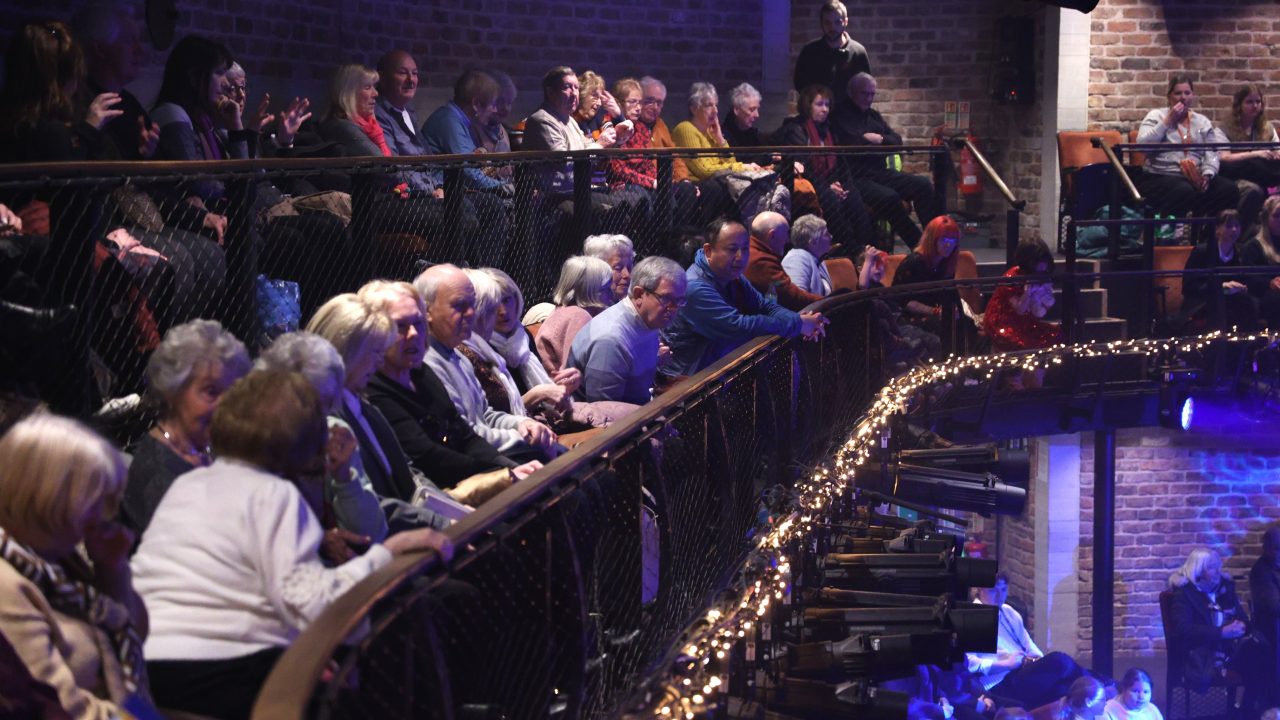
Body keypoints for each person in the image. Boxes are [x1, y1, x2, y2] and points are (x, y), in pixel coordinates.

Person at [131, 369, 453, 719]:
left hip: (148, 667)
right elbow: (311, 603)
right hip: (219, 672)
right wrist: (384, 557)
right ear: (303, 437)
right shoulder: (271, 491)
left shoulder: (188, 485)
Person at [0, 413, 153, 720]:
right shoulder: (8, 583)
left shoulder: (56, 556)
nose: (107, 513)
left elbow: (134, 632)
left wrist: (112, 568)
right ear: (50, 497)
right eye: (97, 499)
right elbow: (56, 706)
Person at [359, 280, 536, 497]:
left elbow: (464, 433)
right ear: (374, 331)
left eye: (417, 322)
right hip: (442, 495)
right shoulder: (373, 390)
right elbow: (429, 457)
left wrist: (503, 466)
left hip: (472, 478)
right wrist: (502, 474)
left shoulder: (420, 372)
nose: (414, 333)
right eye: (400, 326)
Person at [254, 331, 389, 546]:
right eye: (306, 403)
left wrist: (345, 478)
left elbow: (373, 533)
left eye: (325, 404)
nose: (317, 417)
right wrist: (321, 542)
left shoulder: (334, 434)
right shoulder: (252, 443)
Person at [416, 264, 560, 461]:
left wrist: (522, 423)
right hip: (476, 461)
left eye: (472, 305)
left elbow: (486, 415)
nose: (470, 314)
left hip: (492, 449)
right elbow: (466, 434)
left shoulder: (456, 356)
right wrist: (520, 436)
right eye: (459, 305)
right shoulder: (428, 363)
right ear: (427, 310)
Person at [122, 319, 252, 535]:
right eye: (211, 391)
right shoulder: (158, 475)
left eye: (230, 393)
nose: (224, 404)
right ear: (172, 391)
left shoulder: (200, 451)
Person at [661, 218, 828, 377]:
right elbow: (738, 327)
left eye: (745, 248)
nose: (741, 257)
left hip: (715, 374)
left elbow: (765, 306)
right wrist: (798, 324)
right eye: (732, 249)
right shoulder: (695, 287)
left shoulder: (732, 275)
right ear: (708, 251)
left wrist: (799, 322)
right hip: (686, 385)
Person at [831, 73, 940, 249]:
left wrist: (880, 139)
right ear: (851, 92)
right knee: (890, 198)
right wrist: (870, 142)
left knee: (922, 185)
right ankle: (920, 245)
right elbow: (851, 142)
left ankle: (935, 238)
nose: (869, 98)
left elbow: (896, 140)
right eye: (864, 93)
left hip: (880, 172)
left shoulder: (873, 116)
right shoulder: (839, 115)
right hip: (856, 176)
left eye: (872, 94)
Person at [774, 83, 877, 256]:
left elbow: (841, 163)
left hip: (831, 180)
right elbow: (805, 166)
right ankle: (850, 250)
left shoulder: (830, 129)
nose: (825, 109)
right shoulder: (797, 128)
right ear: (808, 105)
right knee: (830, 199)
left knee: (853, 197)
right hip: (811, 181)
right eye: (819, 104)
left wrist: (843, 185)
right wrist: (830, 186)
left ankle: (868, 247)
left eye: (827, 105)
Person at [569, 255, 688, 405]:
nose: (674, 308)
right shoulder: (610, 341)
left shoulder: (648, 320)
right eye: (666, 299)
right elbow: (603, 413)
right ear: (639, 295)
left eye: (679, 301)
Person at [1134, 75, 1239, 241]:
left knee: (1229, 189)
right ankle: (1167, 236)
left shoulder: (1201, 121)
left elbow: (1212, 152)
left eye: (1187, 93)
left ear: (1192, 96)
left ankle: (1208, 237)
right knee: (1183, 190)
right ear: (1169, 96)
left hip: (1194, 176)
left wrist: (1207, 174)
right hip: (1161, 175)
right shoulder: (1156, 116)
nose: (1183, 97)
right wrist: (1168, 121)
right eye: (1178, 93)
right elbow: (1143, 146)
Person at [966, 573, 1094, 709]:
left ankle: (1097, 691)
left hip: (1022, 672)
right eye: (993, 590)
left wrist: (1037, 659)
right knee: (1060, 661)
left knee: (1064, 687)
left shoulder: (1009, 612)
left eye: (1003, 590)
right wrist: (1005, 664)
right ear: (978, 590)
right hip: (998, 684)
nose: (999, 595)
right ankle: (1100, 685)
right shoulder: (970, 618)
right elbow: (968, 663)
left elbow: (1029, 646)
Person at [1167, 546, 1264, 710]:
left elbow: (1241, 618)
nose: (1218, 571)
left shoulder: (1225, 589)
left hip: (1231, 650)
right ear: (1198, 571)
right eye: (1212, 567)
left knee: (1264, 656)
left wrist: (1242, 625)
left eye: (1218, 566)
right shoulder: (1184, 594)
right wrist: (1221, 633)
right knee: (1257, 665)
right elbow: (1183, 631)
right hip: (1201, 653)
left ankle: (1247, 710)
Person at [420, 68, 516, 197]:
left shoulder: (462, 122)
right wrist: (506, 188)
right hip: (438, 194)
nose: (494, 110)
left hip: (454, 192)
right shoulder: (449, 121)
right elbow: (468, 173)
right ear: (476, 103)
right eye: (492, 104)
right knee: (493, 204)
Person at [536, 256, 616, 374]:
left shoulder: (563, 310)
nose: (611, 294)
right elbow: (574, 372)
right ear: (590, 291)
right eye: (606, 289)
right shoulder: (579, 316)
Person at [1181, 209, 1258, 331]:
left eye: (1237, 226)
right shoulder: (1202, 251)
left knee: (1249, 302)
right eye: (1229, 226)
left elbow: (1246, 279)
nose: (1234, 230)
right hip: (1202, 300)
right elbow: (1188, 286)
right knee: (1220, 302)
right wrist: (1220, 287)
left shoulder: (1240, 252)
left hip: (1232, 300)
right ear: (1217, 229)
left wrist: (1242, 287)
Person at [1217, 85, 1280, 232]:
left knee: (1263, 167)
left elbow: (1277, 150)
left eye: (1258, 102)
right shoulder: (1225, 128)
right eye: (1249, 102)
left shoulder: (1266, 128)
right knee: (1254, 188)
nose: (1255, 106)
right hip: (1237, 175)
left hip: (1263, 174)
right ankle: (1239, 234)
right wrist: (1255, 153)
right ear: (1239, 105)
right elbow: (1223, 157)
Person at [982, 239, 1062, 353]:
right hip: (1003, 322)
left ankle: (1038, 371)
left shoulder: (1040, 275)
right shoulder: (1012, 278)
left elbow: (1045, 306)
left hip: (1024, 322)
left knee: (1055, 336)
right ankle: (1024, 371)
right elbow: (1020, 309)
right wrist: (1027, 292)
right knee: (1026, 345)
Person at [892, 215, 963, 338]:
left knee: (965, 324)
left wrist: (957, 312)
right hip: (907, 317)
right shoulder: (915, 262)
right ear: (933, 239)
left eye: (952, 242)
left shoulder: (945, 263)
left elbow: (952, 294)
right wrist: (936, 312)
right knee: (942, 326)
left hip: (936, 314)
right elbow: (905, 302)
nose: (948, 246)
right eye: (944, 240)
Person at [745, 211, 823, 311]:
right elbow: (792, 298)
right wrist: (828, 300)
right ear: (771, 235)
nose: (787, 240)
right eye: (786, 233)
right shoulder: (761, 261)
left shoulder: (750, 251)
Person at [793, 0, 871, 94]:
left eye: (837, 22)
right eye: (827, 23)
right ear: (821, 23)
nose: (832, 27)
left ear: (846, 22)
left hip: (848, 109)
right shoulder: (809, 51)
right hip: (819, 107)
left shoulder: (858, 52)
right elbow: (800, 84)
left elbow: (866, 87)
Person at [1250, 527, 1280, 708]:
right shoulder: (1261, 571)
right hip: (1270, 632)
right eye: (1276, 548)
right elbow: (1273, 606)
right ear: (1266, 548)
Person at [1240, 195, 1280, 329]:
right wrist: (1270, 283)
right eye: (1277, 216)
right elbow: (1248, 277)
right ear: (1266, 219)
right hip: (1264, 295)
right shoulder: (1254, 246)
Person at [782, 214, 835, 297]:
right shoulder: (796, 258)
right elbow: (797, 298)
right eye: (826, 234)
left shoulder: (819, 259)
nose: (831, 237)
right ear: (812, 242)